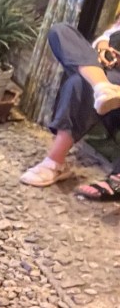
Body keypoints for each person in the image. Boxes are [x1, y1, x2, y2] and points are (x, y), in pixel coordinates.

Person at [20, 20, 120, 195]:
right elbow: (107, 35)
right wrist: (103, 48)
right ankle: (101, 86)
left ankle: (54, 163)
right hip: (105, 69)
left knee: (79, 83)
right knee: (60, 30)